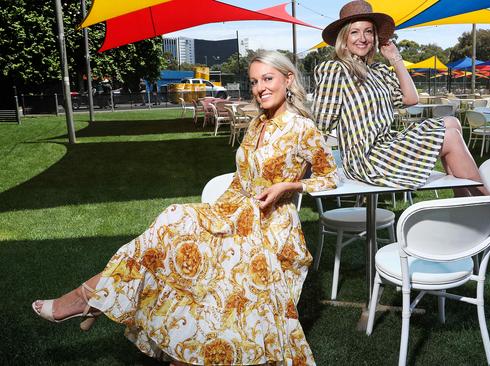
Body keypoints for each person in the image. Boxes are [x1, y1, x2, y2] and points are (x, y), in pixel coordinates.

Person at [32, 50, 338, 365]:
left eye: (268, 78)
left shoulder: (302, 128)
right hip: (235, 218)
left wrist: (291, 186)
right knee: (171, 223)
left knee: (202, 279)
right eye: (254, 81)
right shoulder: (258, 124)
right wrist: (216, 215)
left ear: (288, 79)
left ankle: (89, 299)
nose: (260, 88)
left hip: (270, 232)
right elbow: (240, 180)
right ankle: (93, 300)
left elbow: (330, 177)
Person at [312, 0, 490, 231]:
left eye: (369, 32)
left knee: (451, 122)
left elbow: (411, 99)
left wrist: (395, 59)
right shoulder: (334, 69)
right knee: (449, 137)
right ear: (344, 38)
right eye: (355, 32)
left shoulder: (378, 71)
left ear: (375, 38)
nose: (363, 38)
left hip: (386, 144)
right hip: (366, 157)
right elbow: (321, 121)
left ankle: (463, 203)